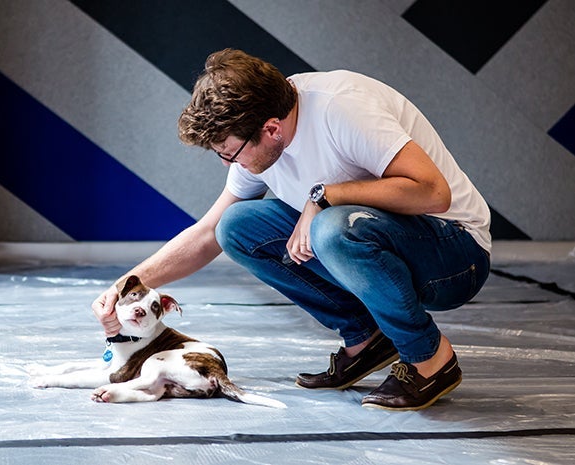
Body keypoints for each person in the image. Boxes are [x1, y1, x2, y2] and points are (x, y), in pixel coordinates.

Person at [92, 49, 491, 411]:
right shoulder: (260, 140)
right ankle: (366, 337)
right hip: (382, 237)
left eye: (229, 153)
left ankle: (429, 359)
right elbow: (208, 232)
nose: (228, 163)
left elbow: (434, 194)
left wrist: (323, 197)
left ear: (271, 129)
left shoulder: (342, 109)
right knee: (237, 226)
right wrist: (124, 287)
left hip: (455, 251)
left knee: (333, 228)